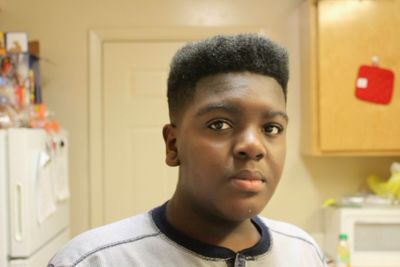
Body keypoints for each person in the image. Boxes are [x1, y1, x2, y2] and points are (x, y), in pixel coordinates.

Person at [48, 33, 327, 267]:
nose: (253, 146)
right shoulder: (94, 261)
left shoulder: (302, 253)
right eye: (219, 124)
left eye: (272, 128)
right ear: (173, 144)